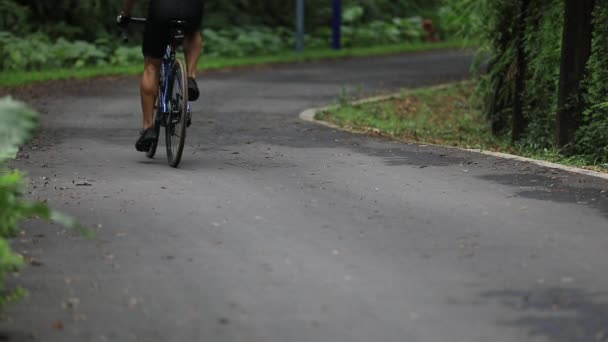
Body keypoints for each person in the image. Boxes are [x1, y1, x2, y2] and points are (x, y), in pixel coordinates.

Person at [117, 0, 204, 152]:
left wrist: (125, 14)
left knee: (152, 65)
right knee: (193, 33)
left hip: (162, 9)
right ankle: (190, 77)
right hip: (192, 7)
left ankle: (148, 128)